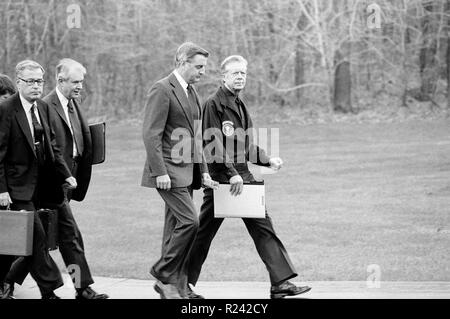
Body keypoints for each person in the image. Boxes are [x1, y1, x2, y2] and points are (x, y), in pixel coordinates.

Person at [186, 55, 312, 299]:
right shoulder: (214, 104)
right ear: (224, 76)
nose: (240, 77)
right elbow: (212, 141)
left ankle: (280, 283)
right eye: (235, 73)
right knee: (202, 236)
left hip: (244, 179)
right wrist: (231, 174)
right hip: (222, 182)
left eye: (243, 73)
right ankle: (181, 284)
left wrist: (267, 160)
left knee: (264, 228)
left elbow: (247, 146)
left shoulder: (240, 105)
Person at [7, 59, 109, 299]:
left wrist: (72, 176)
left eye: (81, 82)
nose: (80, 86)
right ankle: (10, 280)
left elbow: (77, 142)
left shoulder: (73, 104)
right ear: (60, 80)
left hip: (63, 184)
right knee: (36, 240)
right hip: (40, 185)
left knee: (66, 236)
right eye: (75, 82)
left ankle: (81, 287)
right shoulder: (44, 104)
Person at [141, 42, 218, 299]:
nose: (202, 71)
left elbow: (196, 137)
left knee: (174, 229)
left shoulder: (192, 92)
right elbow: (151, 134)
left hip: (188, 173)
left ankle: (178, 287)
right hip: (168, 172)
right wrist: (159, 171)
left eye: (204, 67)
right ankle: (163, 273)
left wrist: (204, 171)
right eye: (198, 66)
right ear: (182, 62)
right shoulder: (162, 89)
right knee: (190, 222)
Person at [0, 60, 77, 299]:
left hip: (42, 187)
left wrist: (67, 174)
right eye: (30, 81)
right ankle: (50, 289)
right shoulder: (6, 110)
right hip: (16, 187)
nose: (36, 86)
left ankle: (5, 282)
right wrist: (1, 190)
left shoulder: (43, 108)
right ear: (19, 82)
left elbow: (52, 147)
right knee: (36, 237)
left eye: (39, 81)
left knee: (18, 243)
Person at [0, 74, 17, 299]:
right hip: (3, 189)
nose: (5, 99)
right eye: (1, 95)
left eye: (8, 95)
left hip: (14, 188)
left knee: (10, 243)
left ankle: (6, 282)